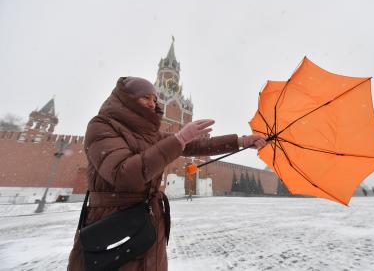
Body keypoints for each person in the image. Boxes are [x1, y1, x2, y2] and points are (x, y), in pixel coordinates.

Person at [67, 77, 266, 271]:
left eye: (155, 99)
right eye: (145, 98)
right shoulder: (102, 126)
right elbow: (123, 175)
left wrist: (241, 141)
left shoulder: (148, 133)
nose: (152, 104)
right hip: (113, 223)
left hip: (148, 223)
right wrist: (179, 139)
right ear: (126, 99)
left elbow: (194, 145)